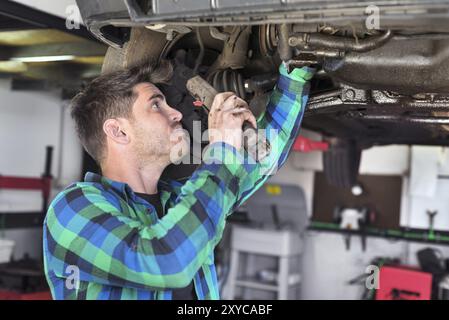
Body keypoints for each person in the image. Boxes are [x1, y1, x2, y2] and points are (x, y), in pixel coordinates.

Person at [43, 59, 314, 300]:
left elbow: (261, 159)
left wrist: (296, 71)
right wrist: (222, 153)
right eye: (156, 105)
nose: (177, 113)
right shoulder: (70, 208)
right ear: (118, 132)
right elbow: (168, 262)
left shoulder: (179, 200)